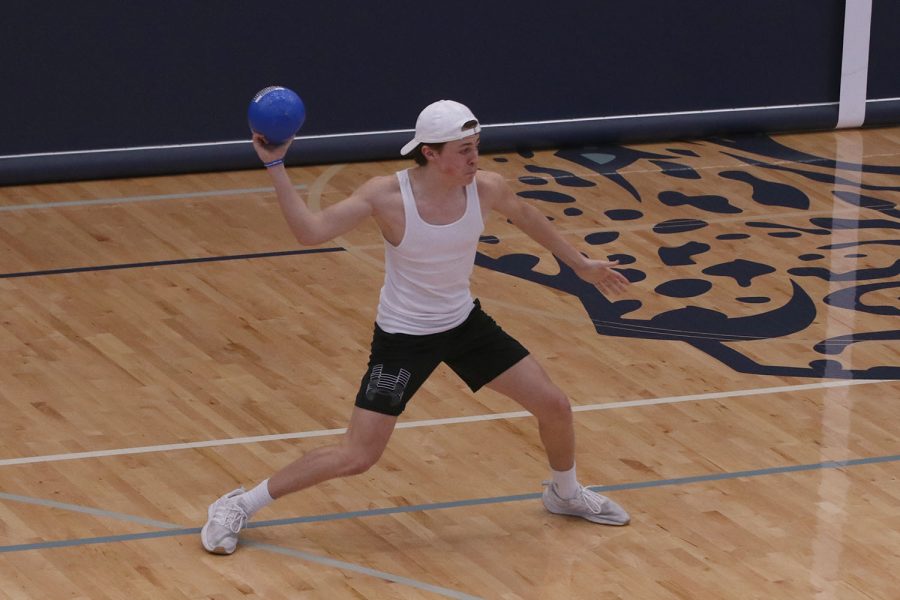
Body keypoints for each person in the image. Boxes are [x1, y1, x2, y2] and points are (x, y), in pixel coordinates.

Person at [201, 99, 631, 555]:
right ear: (430, 152)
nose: (474, 158)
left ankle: (564, 494)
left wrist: (581, 265)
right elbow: (310, 231)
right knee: (357, 456)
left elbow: (526, 216)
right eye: (463, 150)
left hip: (464, 324)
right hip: (403, 339)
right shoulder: (386, 196)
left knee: (555, 405)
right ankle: (238, 505)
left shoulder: (486, 188)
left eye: (476, 147)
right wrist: (276, 166)